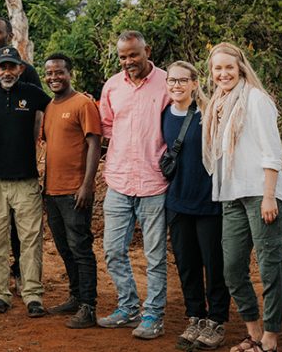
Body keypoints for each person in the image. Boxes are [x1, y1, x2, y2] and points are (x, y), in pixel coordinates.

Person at [202, 43, 282, 352]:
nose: (223, 73)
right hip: (232, 196)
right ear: (211, 73)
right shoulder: (219, 103)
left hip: (261, 195)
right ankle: (253, 331)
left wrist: (269, 196)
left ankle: (270, 338)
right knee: (233, 269)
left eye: (228, 67)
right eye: (217, 68)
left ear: (240, 66)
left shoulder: (255, 99)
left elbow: (272, 151)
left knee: (269, 267)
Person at [97, 31, 169, 340]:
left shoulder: (168, 82)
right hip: (119, 180)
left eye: (133, 55)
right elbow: (107, 125)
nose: (128, 62)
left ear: (146, 51)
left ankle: (153, 313)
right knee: (113, 250)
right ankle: (128, 307)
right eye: (123, 57)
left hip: (155, 182)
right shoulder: (112, 86)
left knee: (155, 256)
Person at [164, 61, 230, 349]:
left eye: (182, 80)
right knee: (187, 264)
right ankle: (195, 317)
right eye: (171, 81)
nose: (176, 85)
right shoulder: (165, 114)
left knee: (214, 264)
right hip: (177, 202)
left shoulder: (207, 114)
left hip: (209, 202)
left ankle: (216, 320)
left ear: (194, 83)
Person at [0, 47, 50, 318]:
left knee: (30, 241)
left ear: (20, 68)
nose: (7, 72)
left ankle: (32, 295)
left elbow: (57, 106)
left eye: (12, 67)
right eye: (2, 67)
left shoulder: (32, 93)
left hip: (26, 181)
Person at [41, 53, 102, 329]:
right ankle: (75, 297)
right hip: (51, 192)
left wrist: (87, 184)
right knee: (65, 248)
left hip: (74, 191)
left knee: (81, 248)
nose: (54, 77)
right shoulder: (50, 106)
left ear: (70, 73)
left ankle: (89, 306)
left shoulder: (83, 103)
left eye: (59, 72)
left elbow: (94, 143)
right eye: (49, 73)